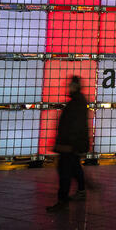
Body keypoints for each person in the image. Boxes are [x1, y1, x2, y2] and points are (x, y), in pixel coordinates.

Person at [47, 76, 90, 212]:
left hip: (69, 144)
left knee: (64, 171)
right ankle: (81, 191)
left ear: (75, 86)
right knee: (74, 168)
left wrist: (67, 142)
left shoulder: (76, 103)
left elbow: (74, 125)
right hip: (72, 144)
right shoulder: (78, 101)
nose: (68, 87)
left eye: (70, 85)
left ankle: (62, 201)